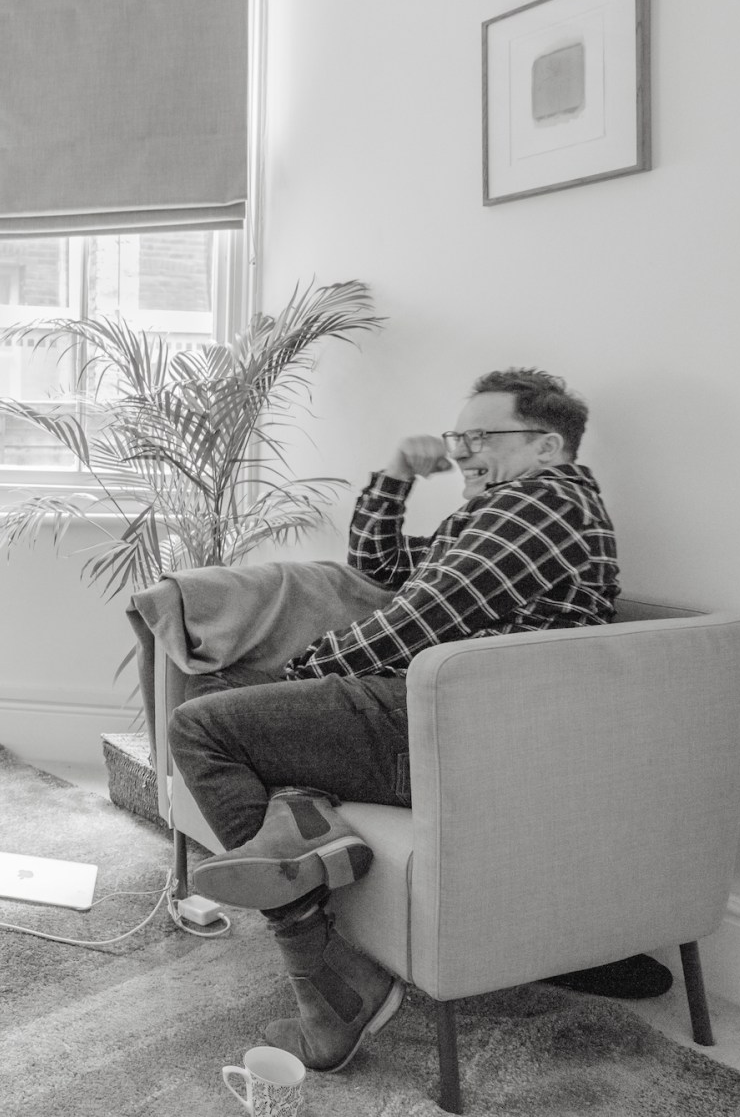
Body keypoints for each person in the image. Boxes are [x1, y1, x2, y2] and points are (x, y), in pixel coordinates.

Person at [171, 368, 619, 1071]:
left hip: (447, 733)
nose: (464, 449)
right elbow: (380, 567)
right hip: (438, 720)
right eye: (458, 434)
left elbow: (413, 624)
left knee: (202, 724)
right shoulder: (517, 511)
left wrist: (297, 674)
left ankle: (332, 986)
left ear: (548, 446)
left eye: (481, 435)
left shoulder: (538, 504)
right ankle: (300, 815)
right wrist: (397, 474)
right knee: (233, 699)